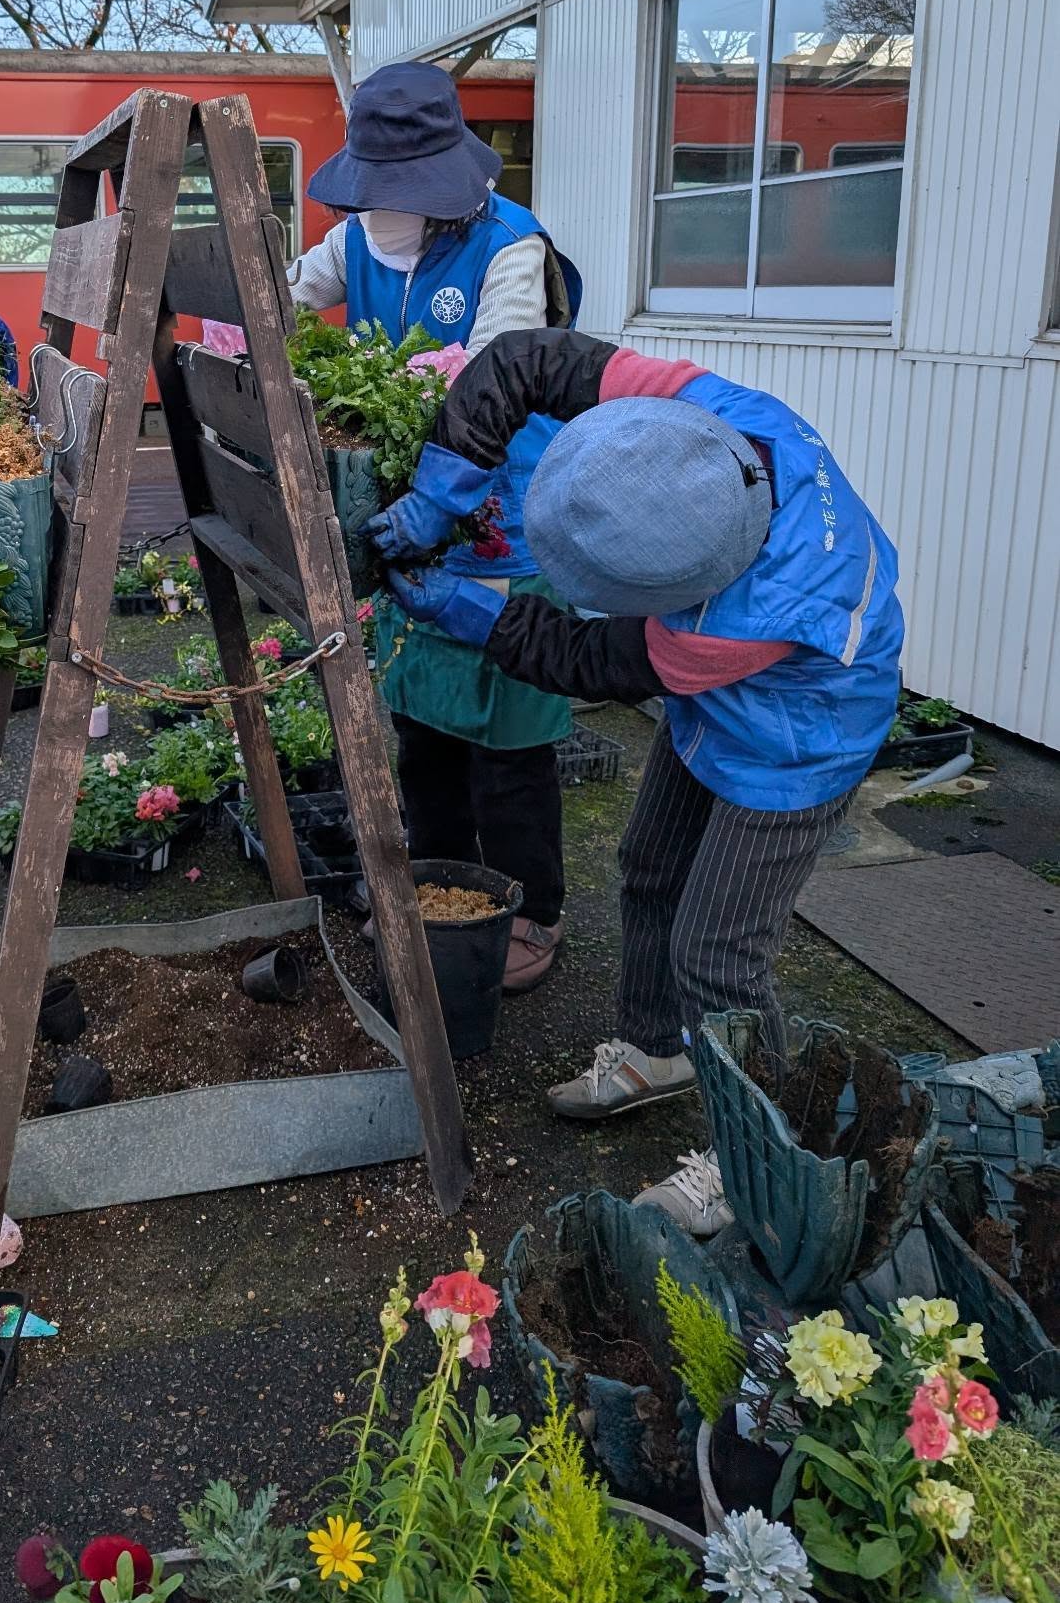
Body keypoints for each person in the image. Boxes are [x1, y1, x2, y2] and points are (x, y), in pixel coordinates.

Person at [369, 326, 903, 1235]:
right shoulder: (711, 417)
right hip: (718, 704)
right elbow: (525, 361)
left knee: (718, 954)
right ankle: (660, 1053)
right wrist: (438, 493)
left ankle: (753, 1158)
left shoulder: (745, 620)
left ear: (680, 588)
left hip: (798, 742)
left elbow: (585, 656)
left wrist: (466, 608)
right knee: (648, 867)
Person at [289, 62, 582, 993]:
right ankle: (442, 881)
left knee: (511, 741)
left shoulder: (511, 249)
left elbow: (497, 387)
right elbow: (281, 305)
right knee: (424, 727)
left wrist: (438, 506)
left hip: (503, 523)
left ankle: (532, 909)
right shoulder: (357, 241)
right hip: (412, 521)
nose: (384, 210)